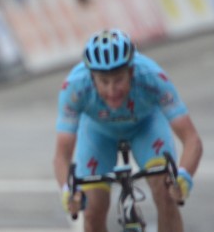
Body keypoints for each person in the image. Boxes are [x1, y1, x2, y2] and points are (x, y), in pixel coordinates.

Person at [53, 29, 203, 232]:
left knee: (166, 194)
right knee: (92, 210)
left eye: (118, 80)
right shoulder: (74, 87)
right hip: (99, 134)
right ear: (91, 77)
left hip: (146, 126)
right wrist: (68, 192)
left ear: (131, 72)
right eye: (104, 82)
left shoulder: (151, 76)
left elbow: (192, 139)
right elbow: (62, 155)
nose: (112, 91)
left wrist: (183, 177)